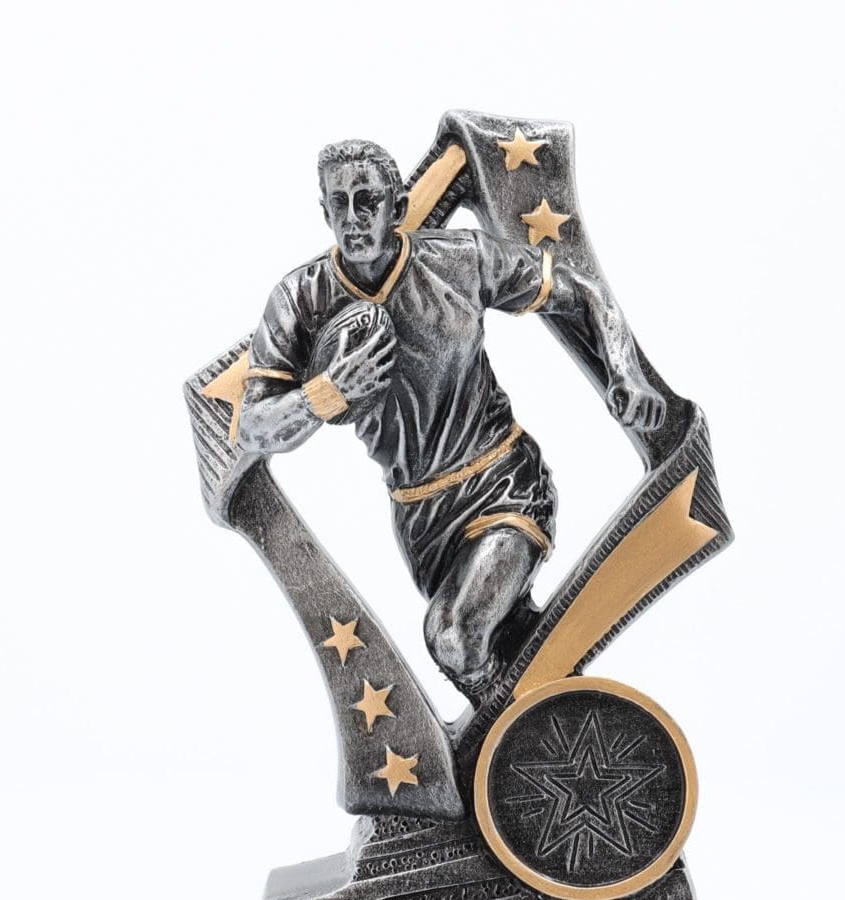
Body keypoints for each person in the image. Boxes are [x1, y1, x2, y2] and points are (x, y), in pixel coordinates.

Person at [236, 139, 665, 696]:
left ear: (397, 206)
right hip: (420, 518)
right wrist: (325, 394)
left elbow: (582, 290)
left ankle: (518, 721)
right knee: (486, 644)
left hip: (502, 482)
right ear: (324, 212)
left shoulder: (460, 259)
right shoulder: (299, 300)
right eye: (339, 203)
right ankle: (530, 720)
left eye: (367, 200)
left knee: (455, 639)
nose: (353, 218)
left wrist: (627, 373)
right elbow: (252, 427)